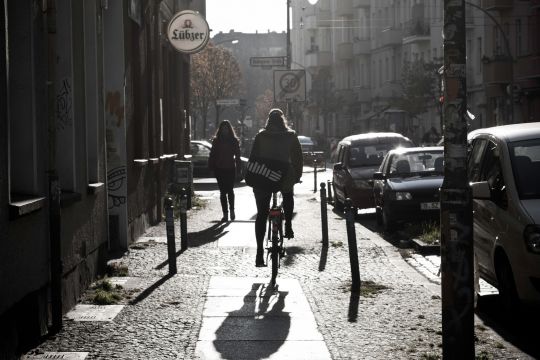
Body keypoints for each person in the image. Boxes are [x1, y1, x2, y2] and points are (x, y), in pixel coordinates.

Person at [248, 108, 303, 267]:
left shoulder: (260, 136)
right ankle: (289, 227)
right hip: (283, 175)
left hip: (264, 176)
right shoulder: (291, 136)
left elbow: (253, 157)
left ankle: (259, 252)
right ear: (282, 121)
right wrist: (296, 176)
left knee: (261, 214)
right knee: (287, 195)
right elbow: (298, 159)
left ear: (268, 121)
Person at [208, 120, 242, 222]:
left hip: (230, 168)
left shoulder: (234, 140)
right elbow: (212, 155)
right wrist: (211, 167)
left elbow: (238, 156)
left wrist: (239, 169)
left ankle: (232, 210)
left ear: (229, 129)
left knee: (230, 190)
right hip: (219, 168)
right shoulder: (216, 140)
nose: (225, 130)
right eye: (223, 128)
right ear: (220, 129)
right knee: (223, 192)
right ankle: (225, 214)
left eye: (226, 128)